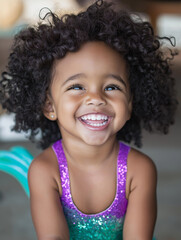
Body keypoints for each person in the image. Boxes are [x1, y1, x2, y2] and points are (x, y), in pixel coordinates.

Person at [0, 0, 178, 239]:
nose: (95, 98)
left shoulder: (139, 170)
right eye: (77, 86)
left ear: (130, 104)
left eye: (112, 86)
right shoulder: (44, 171)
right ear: (49, 105)